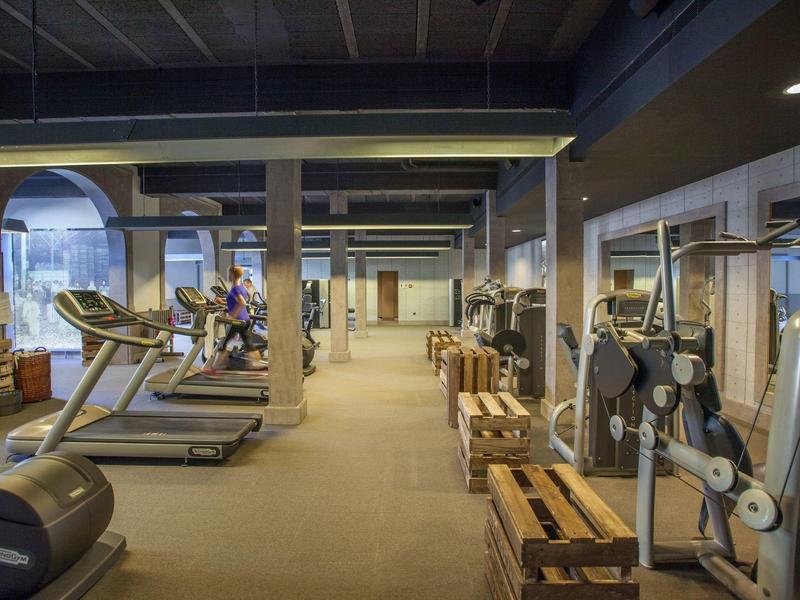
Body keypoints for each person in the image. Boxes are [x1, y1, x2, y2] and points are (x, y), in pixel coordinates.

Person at [202, 265, 265, 374]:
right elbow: (240, 300)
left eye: (228, 273)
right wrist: (224, 301)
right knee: (248, 343)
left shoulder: (235, 288)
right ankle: (253, 366)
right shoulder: (240, 287)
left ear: (232, 274)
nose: (228, 275)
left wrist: (232, 316)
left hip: (237, 321)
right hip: (245, 319)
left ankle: (214, 369)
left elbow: (241, 303)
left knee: (223, 343)